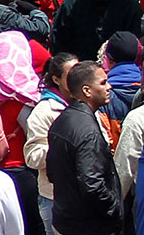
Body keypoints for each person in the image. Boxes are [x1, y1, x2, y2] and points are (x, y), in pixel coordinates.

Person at [47, 61, 120, 235]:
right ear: (87, 91)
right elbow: (92, 185)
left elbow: (52, 173)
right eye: (103, 83)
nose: (109, 87)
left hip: (65, 220)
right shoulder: (88, 133)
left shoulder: (61, 121)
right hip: (87, 226)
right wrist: (115, 207)